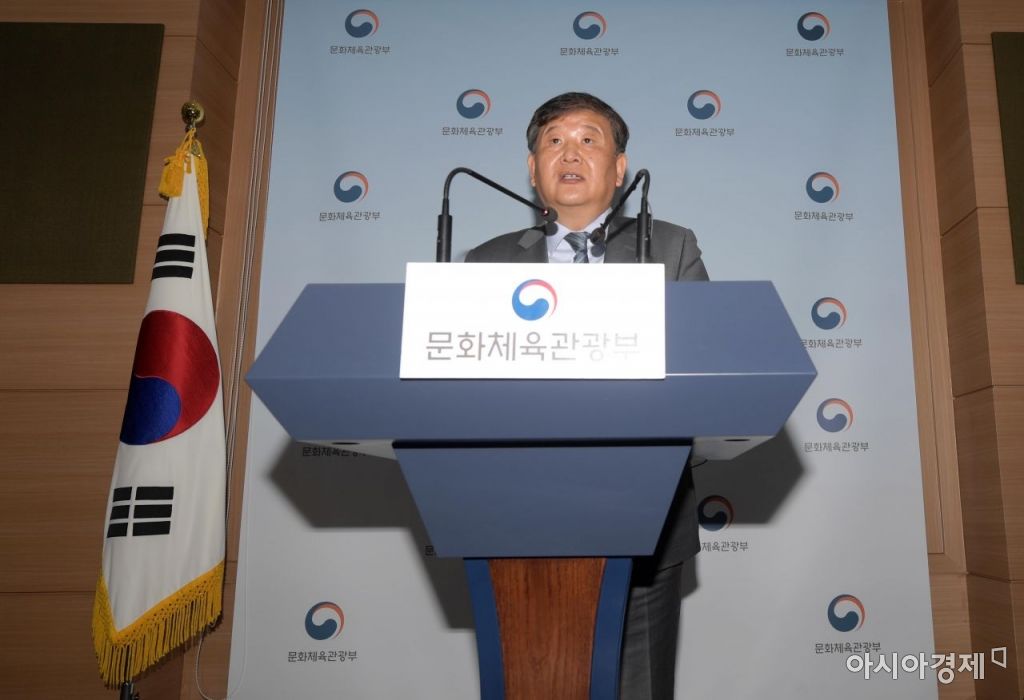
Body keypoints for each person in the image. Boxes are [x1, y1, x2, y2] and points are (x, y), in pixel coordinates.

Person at [466, 92, 708, 699]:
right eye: (553, 142)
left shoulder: (670, 248)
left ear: (619, 168)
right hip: (514, 512)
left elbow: (706, 367)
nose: (569, 154)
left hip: (646, 511)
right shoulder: (485, 263)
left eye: (588, 140)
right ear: (532, 169)